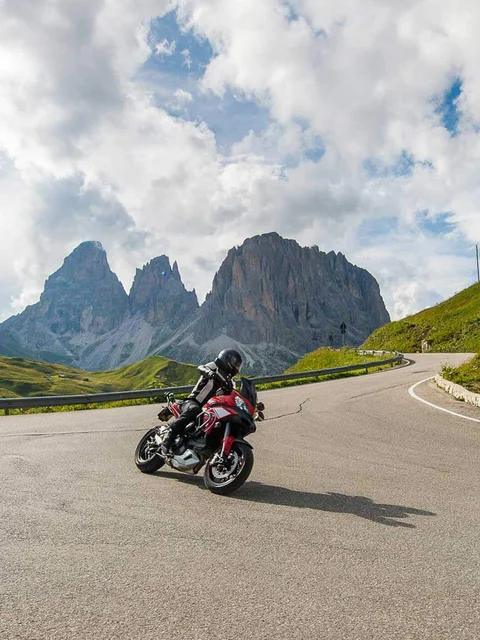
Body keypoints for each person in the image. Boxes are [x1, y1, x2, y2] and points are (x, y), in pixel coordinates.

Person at [160, 348, 243, 456]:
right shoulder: (214, 367)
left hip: (209, 409)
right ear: (226, 358)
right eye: (234, 362)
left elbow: (233, 395)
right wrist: (209, 373)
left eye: (238, 364)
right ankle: (169, 436)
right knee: (194, 410)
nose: (236, 366)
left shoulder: (230, 381)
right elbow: (201, 368)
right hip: (194, 401)